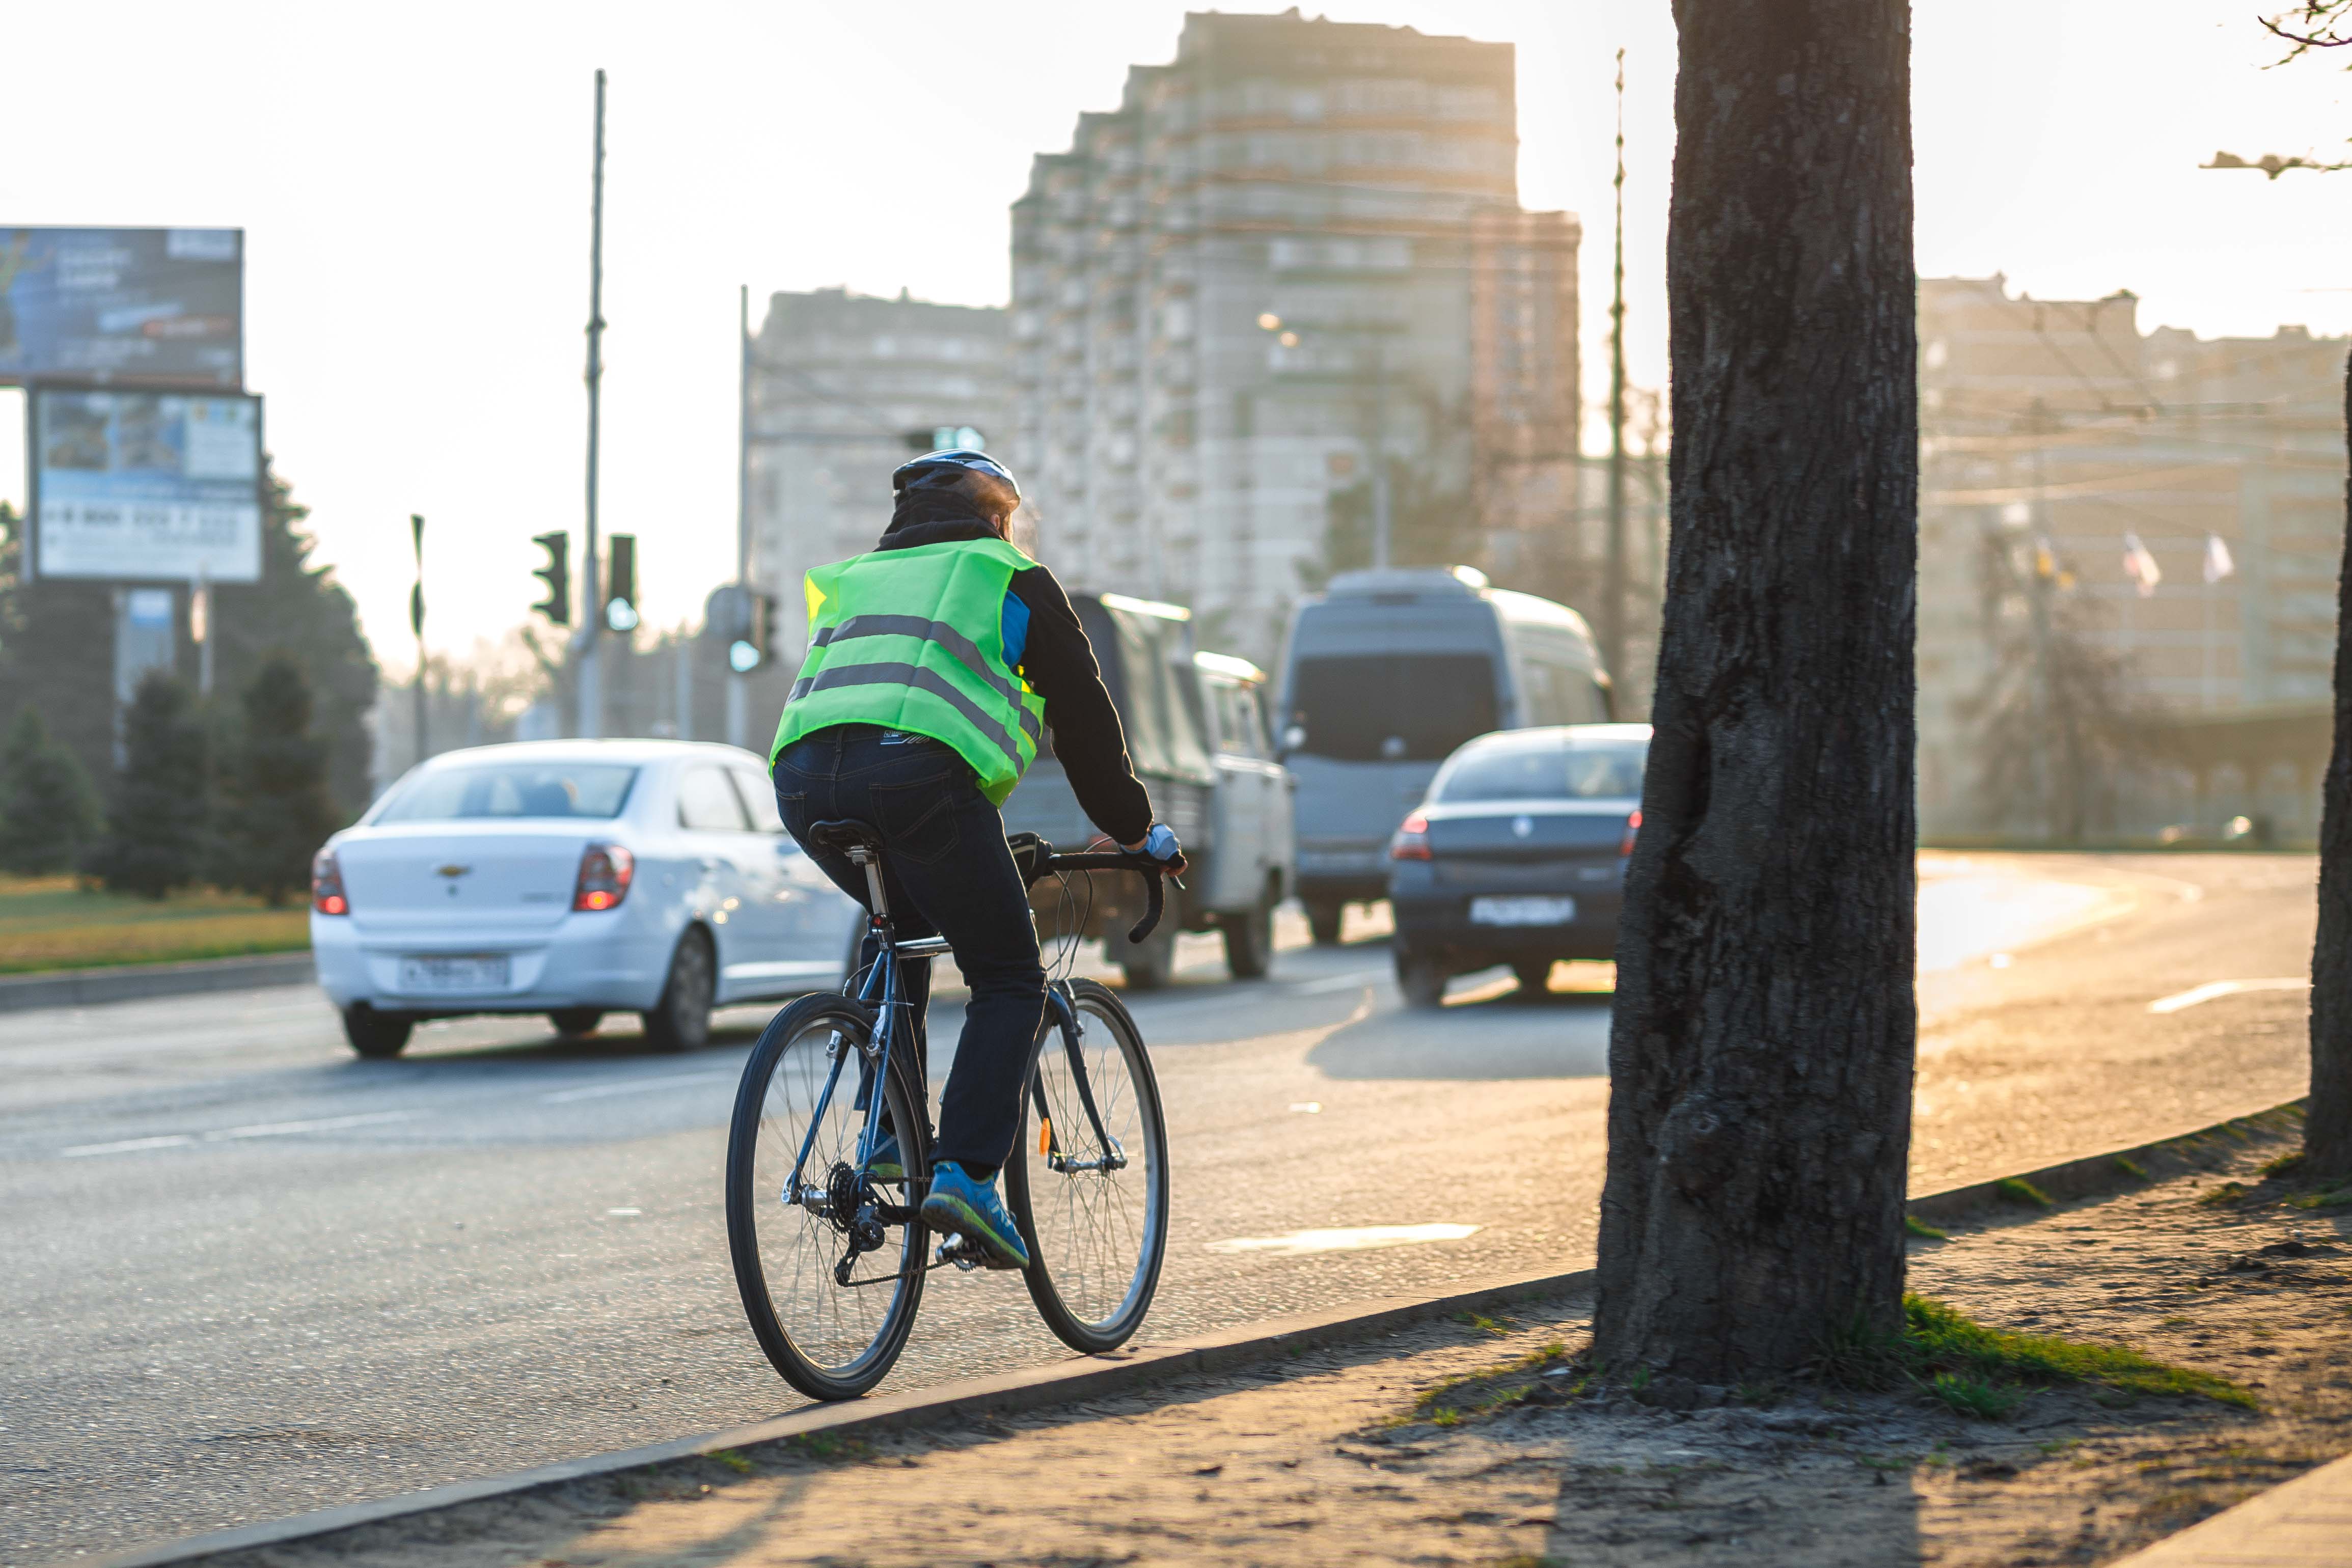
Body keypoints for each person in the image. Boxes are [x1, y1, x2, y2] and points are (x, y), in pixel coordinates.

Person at [769, 449, 1183, 1270]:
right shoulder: (1007, 576)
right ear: (997, 517)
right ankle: (965, 1175)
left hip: (801, 783)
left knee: (898, 932)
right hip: (919, 780)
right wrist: (1134, 831)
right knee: (1007, 974)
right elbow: (1084, 722)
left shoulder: (857, 578)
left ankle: (889, 1133)